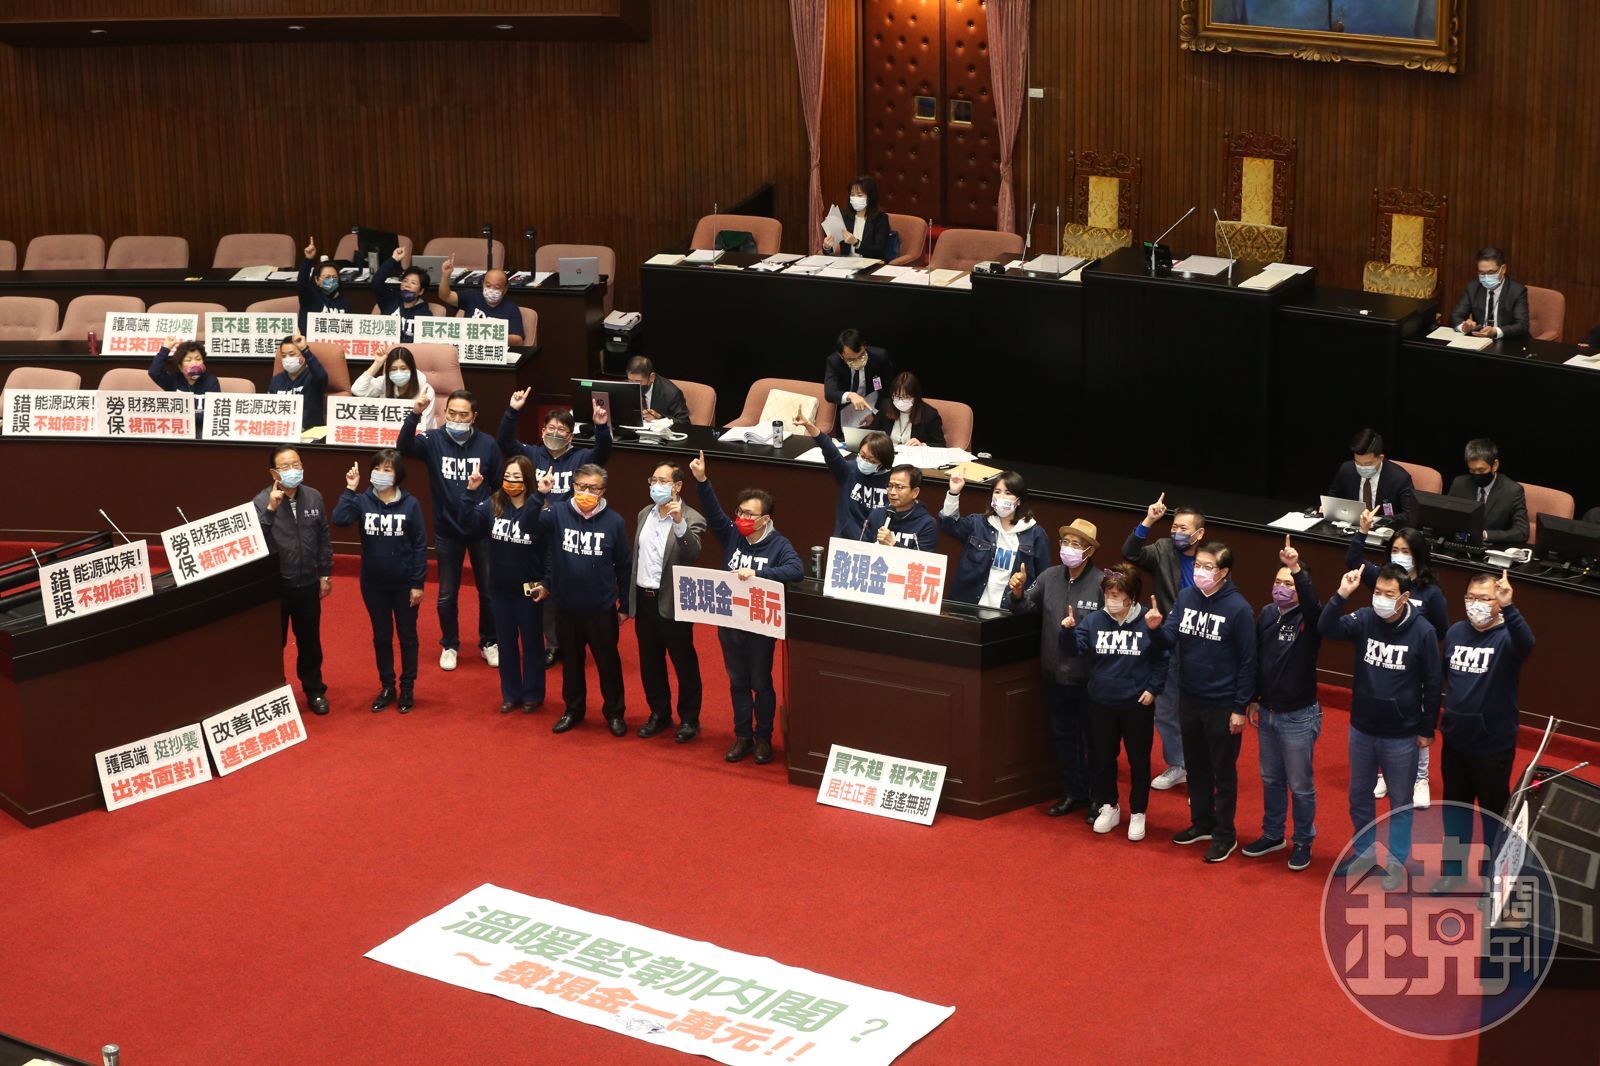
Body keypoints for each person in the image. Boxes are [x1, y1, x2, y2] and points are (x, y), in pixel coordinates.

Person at [1319, 564, 1442, 886]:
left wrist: (1427, 729)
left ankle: (1397, 863)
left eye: (1389, 594)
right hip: (1362, 728)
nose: (1381, 599)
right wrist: (1341, 594)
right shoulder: (1364, 618)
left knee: (1400, 802)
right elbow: (1326, 627)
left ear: (1404, 598)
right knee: (1359, 795)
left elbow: (1432, 684)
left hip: (1402, 735)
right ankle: (1365, 853)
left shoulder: (1423, 632)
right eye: (1377, 592)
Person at [689, 450, 806, 765]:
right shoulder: (732, 535)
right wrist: (702, 480)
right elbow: (713, 512)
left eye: (750, 514)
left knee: (760, 683)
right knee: (737, 681)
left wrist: (759, 574)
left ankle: (763, 738)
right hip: (730, 622)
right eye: (740, 512)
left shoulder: (778, 544)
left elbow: (796, 570)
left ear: (766, 519)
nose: (742, 518)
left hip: (759, 627)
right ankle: (743, 736)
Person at [1149, 541, 1256, 863]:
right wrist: (1155, 629)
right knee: (1195, 766)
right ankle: (1202, 823)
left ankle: (1225, 834)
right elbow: (1169, 637)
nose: (1200, 572)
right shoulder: (1186, 597)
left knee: (1222, 772)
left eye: (1208, 567)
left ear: (1224, 572)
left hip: (1222, 704)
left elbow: (1249, 662)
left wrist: (1240, 707)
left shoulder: (1239, 609)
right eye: (1198, 565)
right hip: (1190, 697)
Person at [500, 388, 615, 668]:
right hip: (534, 531)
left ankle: (569, 641)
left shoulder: (580, 458)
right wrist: (513, 410)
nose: (555, 433)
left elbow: (602, 452)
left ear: (570, 436)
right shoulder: (531, 454)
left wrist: (601, 427)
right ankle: (551, 643)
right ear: (542, 432)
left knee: (562, 586)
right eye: (550, 428)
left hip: (566, 531)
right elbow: (505, 441)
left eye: (561, 430)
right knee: (540, 587)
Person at [1436, 570, 1535, 891]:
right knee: (1455, 813)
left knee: (1492, 816)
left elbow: (1528, 644)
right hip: (1455, 741)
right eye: (1470, 598)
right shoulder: (1455, 632)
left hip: (1492, 746)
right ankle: (1452, 873)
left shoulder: (1508, 637)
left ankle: (1492, 878)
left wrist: (1510, 607)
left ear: (1497, 602)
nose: (1475, 604)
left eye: (1484, 598)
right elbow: (1449, 677)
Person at [1058, 564, 1168, 842]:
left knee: (1138, 760)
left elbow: (1163, 658)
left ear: (1131, 597)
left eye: (1116, 595)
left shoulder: (1148, 620)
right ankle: (1109, 805)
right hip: (1101, 702)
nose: (1111, 599)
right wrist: (1068, 631)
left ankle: (1139, 811)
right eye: (1108, 594)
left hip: (1136, 705)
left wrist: (1153, 689)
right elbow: (1073, 651)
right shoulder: (1094, 620)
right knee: (1103, 758)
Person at [1349, 509, 1448, 808]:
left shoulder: (1431, 592)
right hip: (1385, 662)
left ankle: (1421, 778)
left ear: (1418, 555)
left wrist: (1418, 644)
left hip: (1414, 664)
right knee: (1383, 724)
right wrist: (1362, 531)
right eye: (1395, 550)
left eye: (1406, 551)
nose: (1400, 555)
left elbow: (1441, 628)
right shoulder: (1385, 579)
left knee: (1416, 722)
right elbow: (1353, 562)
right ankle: (1384, 774)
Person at [1010, 518, 1107, 823]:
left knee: (1095, 741)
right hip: (1054, 674)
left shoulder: (1103, 584)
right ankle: (1074, 792)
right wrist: (1017, 592)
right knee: (1064, 737)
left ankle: (1099, 797)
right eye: (1065, 542)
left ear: (1089, 551)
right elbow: (1025, 606)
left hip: (1089, 678)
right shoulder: (1049, 576)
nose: (1068, 549)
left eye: (1076, 544)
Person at [398, 388, 502, 671]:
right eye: (452, 413)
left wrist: (486, 513)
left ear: (474, 417)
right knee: (446, 593)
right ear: (445, 413)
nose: (457, 419)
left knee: (488, 591)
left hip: (481, 530)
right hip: (447, 529)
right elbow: (403, 446)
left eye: (463, 415)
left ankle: (489, 642)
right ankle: (450, 644)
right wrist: (415, 414)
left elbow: (498, 486)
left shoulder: (488, 444)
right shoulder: (433, 439)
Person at [527, 463, 632, 736]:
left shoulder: (615, 522)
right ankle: (573, 710)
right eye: (581, 486)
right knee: (571, 664)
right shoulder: (557, 512)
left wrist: (625, 605)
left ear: (603, 491)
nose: (586, 492)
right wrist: (539, 494)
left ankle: (615, 713)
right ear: (573, 486)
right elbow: (528, 525)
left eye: (593, 488)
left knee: (608, 664)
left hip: (601, 608)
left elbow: (624, 565)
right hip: (566, 606)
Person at [1241, 536, 1322, 872]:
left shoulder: (1310, 618)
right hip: (1268, 712)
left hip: (1298, 717)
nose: (1281, 588)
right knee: (1271, 779)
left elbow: (1313, 602)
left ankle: (1303, 840)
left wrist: (1296, 568)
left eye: (1288, 583)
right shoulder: (1267, 614)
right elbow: (1257, 659)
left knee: (1300, 786)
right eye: (1278, 581)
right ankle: (1273, 834)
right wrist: (1253, 699)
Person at [331, 450, 427, 714]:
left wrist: (417, 583)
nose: (381, 474)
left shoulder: (411, 504)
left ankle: (407, 687)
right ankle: (387, 686)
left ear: (397, 475)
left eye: (387, 470)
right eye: (377, 469)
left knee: (407, 635)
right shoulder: (362, 501)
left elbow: (420, 545)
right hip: (373, 584)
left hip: (405, 584)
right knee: (381, 636)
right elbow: (339, 519)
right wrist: (350, 489)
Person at [1122, 493, 1205, 791]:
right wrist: (1149, 520)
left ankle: (1202, 769)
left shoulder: (1211, 559)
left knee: (1198, 711)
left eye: (1183, 529)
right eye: (1174, 527)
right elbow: (1131, 553)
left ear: (1199, 534)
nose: (1177, 532)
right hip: (1168, 641)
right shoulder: (1163, 548)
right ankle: (1178, 764)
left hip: (1200, 646)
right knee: (1167, 709)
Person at [454, 456, 549, 714]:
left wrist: (547, 582)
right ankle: (510, 694)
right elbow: (467, 524)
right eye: (507, 477)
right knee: (506, 644)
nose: (511, 482)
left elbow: (548, 550)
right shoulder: (493, 504)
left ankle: (533, 694)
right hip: (499, 588)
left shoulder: (540, 508)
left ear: (527, 479)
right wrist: (470, 492)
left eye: (517, 477)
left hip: (529, 590)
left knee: (532, 644)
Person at [626, 461, 707, 741]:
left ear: (678, 486)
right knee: (650, 663)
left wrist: (679, 523)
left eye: (662, 481)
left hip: (673, 602)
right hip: (644, 600)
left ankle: (689, 720)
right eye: (653, 480)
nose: (656, 486)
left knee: (684, 663)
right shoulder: (644, 514)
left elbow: (692, 552)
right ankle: (659, 714)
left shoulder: (692, 518)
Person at [252, 445, 332, 716]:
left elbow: (323, 538)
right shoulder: (260, 501)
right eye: (285, 467)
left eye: (296, 464)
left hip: (308, 583)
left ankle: (314, 690)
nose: (293, 470)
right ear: (273, 472)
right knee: (274, 644)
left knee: (310, 642)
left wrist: (325, 574)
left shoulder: (314, 497)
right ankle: (273, 693)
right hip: (276, 587)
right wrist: (270, 509)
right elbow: (255, 542)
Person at [941, 470, 1052, 607]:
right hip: (969, 605)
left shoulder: (1036, 534)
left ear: (1019, 501)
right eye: (997, 492)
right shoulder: (978, 524)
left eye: (1008, 493)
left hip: (1009, 609)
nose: (1001, 497)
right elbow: (948, 524)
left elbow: (1043, 579)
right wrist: (953, 493)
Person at [794, 408, 892, 537]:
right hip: (845, 538)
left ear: (883, 463)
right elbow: (831, 452)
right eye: (862, 455)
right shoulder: (849, 471)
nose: (864, 461)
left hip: (876, 541)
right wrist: (809, 425)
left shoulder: (892, 481)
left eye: (871, 460)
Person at [1446, 438, 1529, 545]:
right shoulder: (1459, 484)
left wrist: (1486, 535)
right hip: (1461, 544)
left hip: (1492, 548)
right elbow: (1446, 517)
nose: (1476, 474)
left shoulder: (1513, 491)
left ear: (1495, 465)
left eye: (1481, 470)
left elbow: (1522, 532)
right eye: (1472, 470)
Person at [1326, 427, 1414, 525]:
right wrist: (1328, 507)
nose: (1362, 467)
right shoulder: (1347, 469)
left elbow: (1409, 515)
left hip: (1383, 527)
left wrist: (1376, 519)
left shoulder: (1400, 478)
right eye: (1358, 463)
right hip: (1351, 525)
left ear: (1380, 458)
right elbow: (1333, 495)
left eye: (1368, 464)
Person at [437, 255, 526, 345]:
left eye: (497, 287)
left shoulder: (511, 308)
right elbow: (445, 296)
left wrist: (492, 335)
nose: (491, 290)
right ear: (483, 284)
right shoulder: (472, 297)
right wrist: (446, 275)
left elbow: (518, 340)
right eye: (488, 285)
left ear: (505, 289)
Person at [1449, 246, 1529, 342]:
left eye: (1491, 272)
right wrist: (1464, 327)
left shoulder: (1517, 291)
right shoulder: (1473, 287)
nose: (1486, 277)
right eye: (1482, 273)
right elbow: (1455, 316)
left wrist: (1496, 331)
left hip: (1508, 341)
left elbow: (1522, 325)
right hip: (1479, 340)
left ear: (1503, 269)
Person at [823, 328, 894, 432]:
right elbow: (830, 394)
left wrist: (875, 413)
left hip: (873, 401)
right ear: (841, 355)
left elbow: (886, 388)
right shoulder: (834, 362)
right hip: (847, 406)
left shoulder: (880, 357)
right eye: (851, 359)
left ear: (865, 346)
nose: (858, 361)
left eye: (861, 355)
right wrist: (851, 395)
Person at [350, 345, 435, 429]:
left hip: (418, 435)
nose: (399, 373)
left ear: (412, 369)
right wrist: (378, 363)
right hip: (389, 432)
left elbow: (426, 426)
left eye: (403, 368)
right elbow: (357, 390)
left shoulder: (426, 390)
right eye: (393, 369)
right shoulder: (384, 382)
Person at [147, 337, 220, 434]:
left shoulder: (211, 381)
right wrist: (166, 348)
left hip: (202, 430)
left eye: (198, 359)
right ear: (180, 367)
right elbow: (154, 372)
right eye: (188, 360)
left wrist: (183, 416)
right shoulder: (173, 380)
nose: (194, 363)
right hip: (178, 429)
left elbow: (213, 413)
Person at [860, 465, 937, 552]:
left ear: (915, 492)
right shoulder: (877, 514)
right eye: (890, 486)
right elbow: (863, 549)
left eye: (899, 487)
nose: (892, 492)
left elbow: (923, 559)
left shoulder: (926, 524)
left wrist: (894, 544)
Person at [267, 333, 330, 429]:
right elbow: (268, 408)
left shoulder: (313, 377)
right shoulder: (276, 380)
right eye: (284, 356)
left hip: (309, 432)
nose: (287, 359)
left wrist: (305, 350)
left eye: (292, 354)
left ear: (303, 356)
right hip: (282, 429)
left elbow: (322, 377)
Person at [822, 175, 891, 260]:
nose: (855, 198)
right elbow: (831, 248)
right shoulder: (844, 215)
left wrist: (856, 243)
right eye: (852, 195)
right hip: (846, 263)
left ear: (870, 197)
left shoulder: (881, 219)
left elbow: (879, 251)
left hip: (870, 264)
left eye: (859, 195)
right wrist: (827, 247)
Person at [869, 372, 946, 447]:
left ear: (915, 397)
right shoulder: (886, 406)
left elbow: (940, 444)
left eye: (905, 397)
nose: (900, 401)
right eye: (896, 396)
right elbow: (871, 433)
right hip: (887, 452)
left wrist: (922, 445)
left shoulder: (929, 414)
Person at [373, 246, 432, 342]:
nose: (407, 285)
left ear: (421, 291)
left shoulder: (424, 314)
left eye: (413, 283)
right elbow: (376, 281)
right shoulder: (389, 300)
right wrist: (394, 259)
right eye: (405, 281)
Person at [296, 237, 349, 333]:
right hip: (310, 341)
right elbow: (302, 282)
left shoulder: (344, 302)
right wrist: (308, 259)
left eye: (334, 277)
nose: (331, 280)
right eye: (327, 277)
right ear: (317, 280)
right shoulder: (309, 298)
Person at [625, 356, 691, 425]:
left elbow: (684, 422)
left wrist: (660, 418)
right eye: (630, 380)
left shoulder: (671, 393)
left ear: (652, 377)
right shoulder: (624, 388)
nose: (634, 385)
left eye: (638, 381)